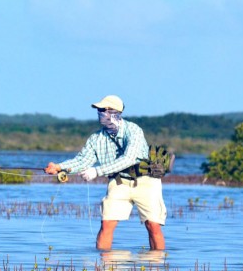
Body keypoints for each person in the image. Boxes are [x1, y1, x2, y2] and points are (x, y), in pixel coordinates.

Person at [44, 95, 166, 250]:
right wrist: (59, 167)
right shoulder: (96, 138)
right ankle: (104, 268)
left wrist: (97, 171)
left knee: (152, 224)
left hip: (145, 181)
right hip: (118, 181)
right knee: (106, 223)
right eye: (99, 111)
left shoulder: (134, 131)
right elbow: (82, 160)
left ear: (115, 112)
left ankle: (157, 266)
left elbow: (129, 159)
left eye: (103, 110)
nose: (100, 114)